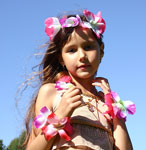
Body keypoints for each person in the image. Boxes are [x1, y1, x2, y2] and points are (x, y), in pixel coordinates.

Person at [24, 9, 135, 150]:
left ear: (101, 51)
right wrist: (59, 116)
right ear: (60, 58)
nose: (82, 55)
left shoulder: (105, 104)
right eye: (71, 50)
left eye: (88, 47)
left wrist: (116, 113)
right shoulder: (51, 93)